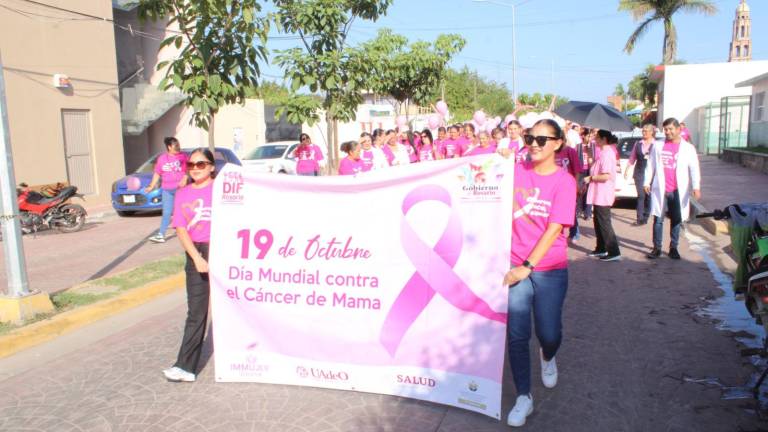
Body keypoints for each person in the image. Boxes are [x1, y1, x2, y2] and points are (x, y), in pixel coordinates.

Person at [503, 119, 576, 427]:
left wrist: (527, 267)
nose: (533, 143)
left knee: (549, 333)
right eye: (530, 137)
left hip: (548, 269)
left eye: (542, 139)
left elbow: (554, 229)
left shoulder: (565, 181)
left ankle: (548, 355)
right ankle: (524, 397)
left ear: (558, 143)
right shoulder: (514, 172)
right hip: (513, 266)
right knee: (517, 336)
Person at [162, 148, 215, 383]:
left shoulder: (224, 189)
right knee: (196, 311)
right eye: (191, 165)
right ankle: (185, 366)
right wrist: (197, 258)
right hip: (198, 252)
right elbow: (181, 229)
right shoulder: (183, 193)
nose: (195, 168)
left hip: (225, 249)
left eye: (201, 164)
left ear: (212, 166)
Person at [644, 117, 702, 260]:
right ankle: (657, 248)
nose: (668, 132)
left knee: (676, 219)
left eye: (670, 129)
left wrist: (696, 186)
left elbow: (694, 168)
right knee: (658, 219)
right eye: (665, 129)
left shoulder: (688, 148)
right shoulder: (658, 145)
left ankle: (673, 248)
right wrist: (647, 182)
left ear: (678, 129)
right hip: (661, 189)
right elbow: (651, 164)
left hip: (678, 189)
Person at [584, 130, 621, 262]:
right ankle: (601, 248)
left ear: (604, 139)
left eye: (597, 138)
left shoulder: (607, 153)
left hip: (603, 193)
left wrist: (591, 177)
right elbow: (595, 167)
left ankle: (613, 250)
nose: (595, 139)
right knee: (598, 222)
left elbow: (606, 175)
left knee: (604, 223)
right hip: (598, 192)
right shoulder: (603, 153)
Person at [145, 137, 187, 244]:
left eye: (178, 145)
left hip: (180, 189)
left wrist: (185, 178)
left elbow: (188, 169)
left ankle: (187, 231)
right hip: (167, 190)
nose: (178, 148)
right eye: (175, 146)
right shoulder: (162, 159)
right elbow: (157, 173)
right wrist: (151, 186)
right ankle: (161, 234)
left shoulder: (183, 157)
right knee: (167, 212)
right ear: (169, 147)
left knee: (182, 211)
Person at [624, 124, 656, 225]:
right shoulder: (638, 144)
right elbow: (632, 157)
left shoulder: (656, 144)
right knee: (641, 195)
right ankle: (639, 218)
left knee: (648, 195)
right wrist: (627, 169)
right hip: (639, 172)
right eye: (643, 131)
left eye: (646, 131)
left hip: (652, 173)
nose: (644, 133)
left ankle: (646, 215)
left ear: (652, 132)